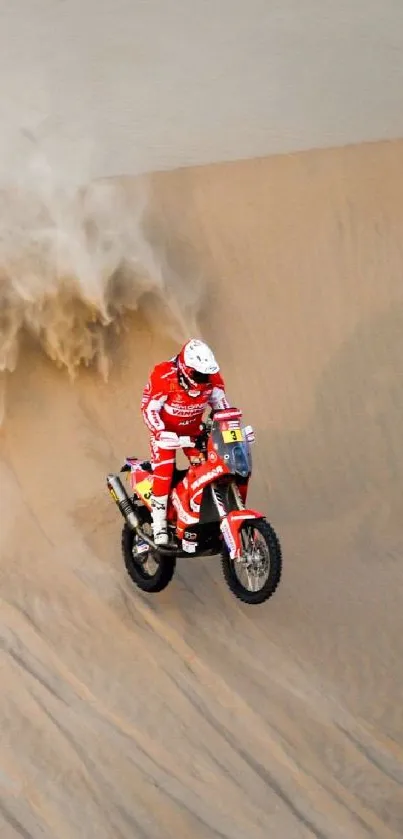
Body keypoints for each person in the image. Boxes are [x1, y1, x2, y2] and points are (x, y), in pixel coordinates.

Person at [141, 338, 230, 545]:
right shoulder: (164, 375)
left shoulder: (212, 379)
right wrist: (160, 432)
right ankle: (159, 524)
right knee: (164, 472)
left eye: (206, 374)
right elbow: (148, 408)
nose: (203, 378)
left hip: (193, 434)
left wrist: (235, 430)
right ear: (186, 369)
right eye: (199, 374)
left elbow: (223, 408)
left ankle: (198, 516)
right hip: (167, 436)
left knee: (210, 469)